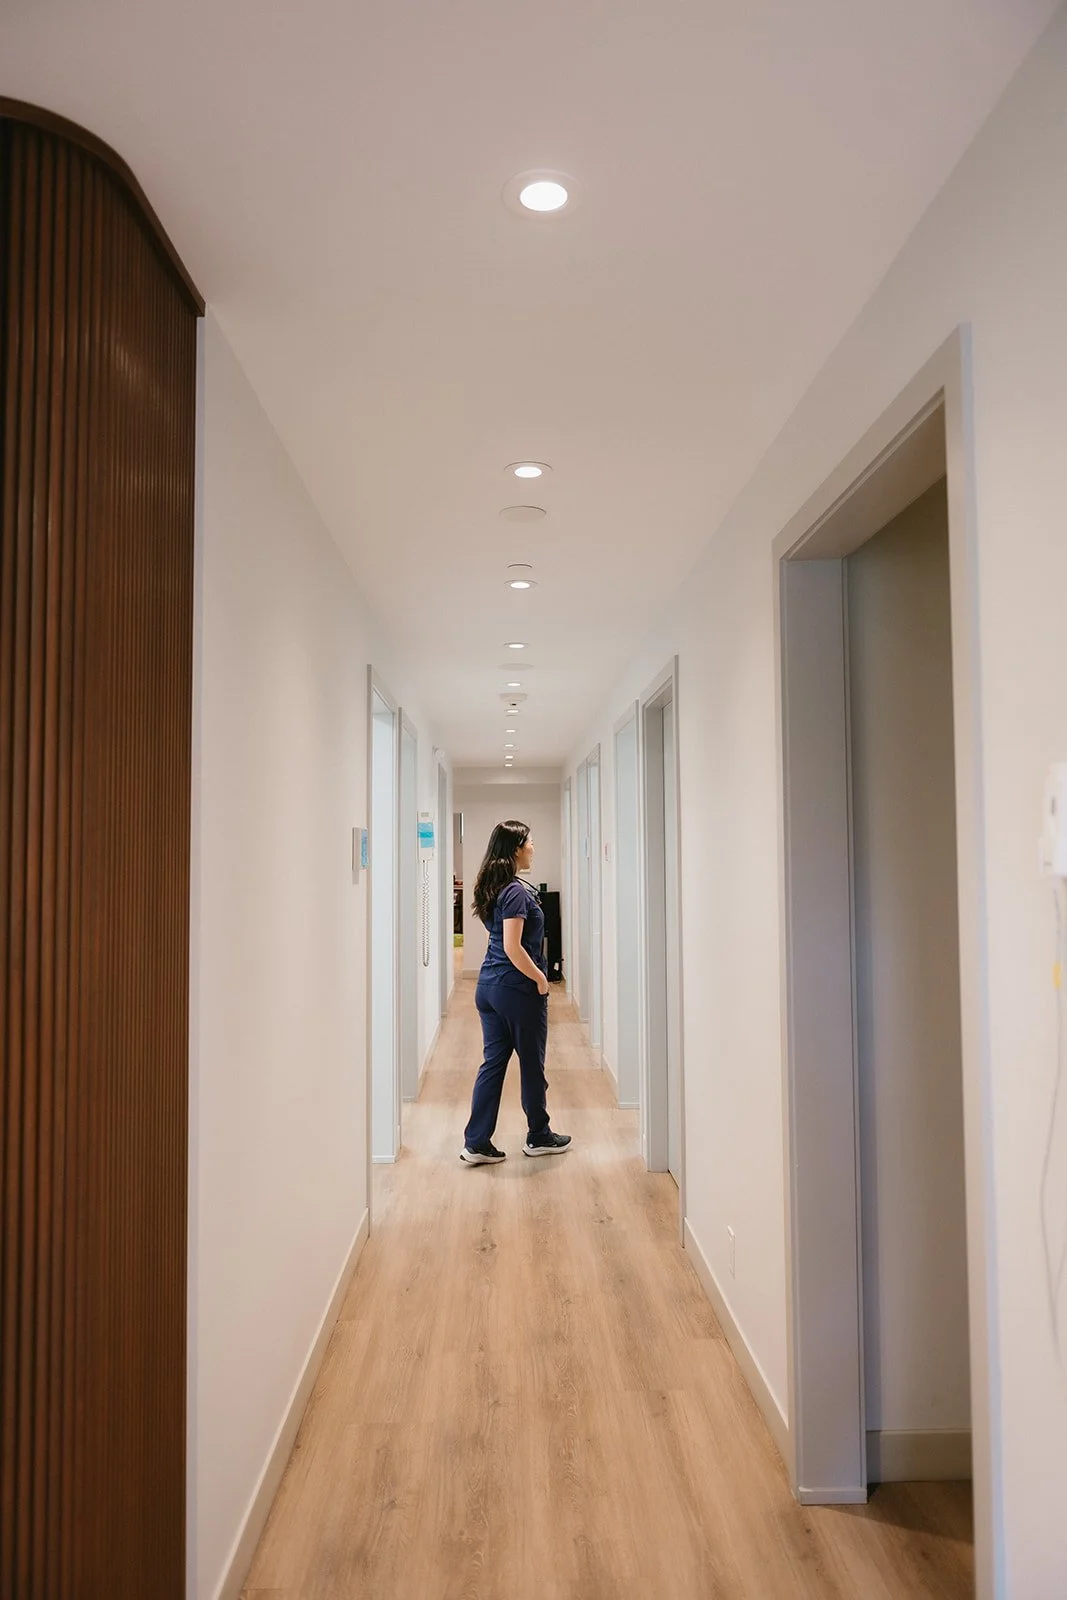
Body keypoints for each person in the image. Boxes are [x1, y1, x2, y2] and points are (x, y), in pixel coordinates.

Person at [461, 820, 571, 1165]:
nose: (533, 847)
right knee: (532, 1066)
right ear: (515, 849)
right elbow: (512, 945)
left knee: (493, 1064)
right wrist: (540, 978)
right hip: (516, 989)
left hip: (489, 988)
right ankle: (539, 1135)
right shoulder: (516, 893)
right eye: (530, 842)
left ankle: (476, 1142)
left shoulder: (495, 888)